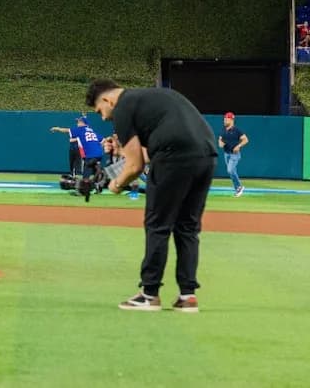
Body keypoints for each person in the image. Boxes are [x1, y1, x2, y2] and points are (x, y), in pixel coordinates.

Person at [85, 79, 216, 313]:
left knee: (158, 225)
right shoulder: (151, 98)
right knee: (187, 227)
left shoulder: (123, 107)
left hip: (173, 157)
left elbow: (135, 166)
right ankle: (188, 296)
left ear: (107, 100)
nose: (103, 117)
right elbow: (145, 154)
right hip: (206, 156)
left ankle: (149, 294)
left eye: (99, 111)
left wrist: (115, 184)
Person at [52, 116, 103, 180]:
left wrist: (57, 128)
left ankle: (90, 180)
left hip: (90, 156)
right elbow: (103, 140)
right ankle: (99, 175)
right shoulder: (92, 131)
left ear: (84, 123)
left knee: (85, 176)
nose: (78, 123)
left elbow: (66, 130)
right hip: (99, 154)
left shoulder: (80, 129)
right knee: (94, 169)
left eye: (79, 121)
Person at [218, 112, 249, 197]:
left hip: (234, 154)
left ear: (231, 120)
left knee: (230, 170)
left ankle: (239, 187)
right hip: (226, 154)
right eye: (224, 119)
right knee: (232, 171)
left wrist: (238, 146)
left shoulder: (237, 130)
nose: (224, 120)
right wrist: (220, 143)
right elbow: (220, 140)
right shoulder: (223, 130)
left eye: (226, 119)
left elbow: (246, 140)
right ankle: (238, 189)